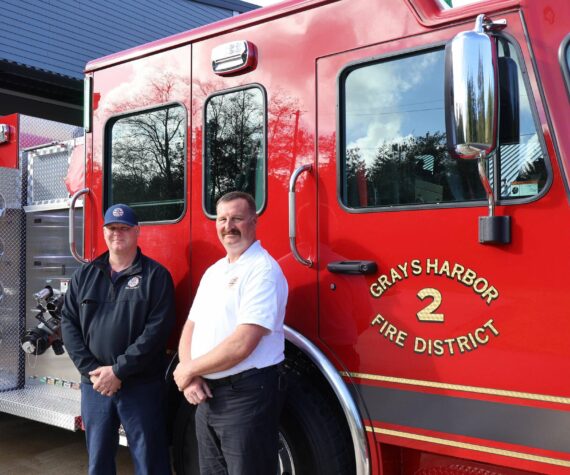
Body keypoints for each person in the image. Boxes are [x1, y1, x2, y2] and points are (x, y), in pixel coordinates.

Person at [174, 191, 288, 475]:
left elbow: (243, 344)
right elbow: (191, 325)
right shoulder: (214, 271)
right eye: (222, 219)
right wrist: (191, 375)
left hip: (246, 397)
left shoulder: (263, 270)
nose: (228, 226)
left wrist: (188, 370)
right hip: (207, 396)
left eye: (237, 218)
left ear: (254, 220)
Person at [61, 203, 175, 475]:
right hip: (96, 386)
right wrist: (93, 372)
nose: (117, 234)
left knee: (150, 461)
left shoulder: (156, 276)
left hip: (141, 385)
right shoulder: (84, 276)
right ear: (103, 232)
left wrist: (120, 371)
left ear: (137, 232)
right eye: (112, 228)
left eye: (124, 228)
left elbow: (157, 332)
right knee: (98, 461)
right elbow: (68, 323)